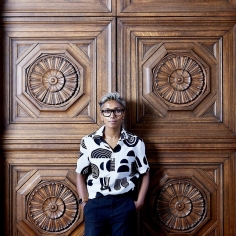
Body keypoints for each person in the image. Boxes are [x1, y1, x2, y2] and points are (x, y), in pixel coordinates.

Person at [76, 92, 150, 236]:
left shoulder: (135, 142)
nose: (112, 115)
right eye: (107, 111)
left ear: (123, 114)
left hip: (123, 204)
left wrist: (139, 202)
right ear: (101, 115)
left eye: (117, 110)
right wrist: (83, 202)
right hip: (95, 204)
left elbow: (145, 173)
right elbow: (80, 172)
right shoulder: (89, 141)